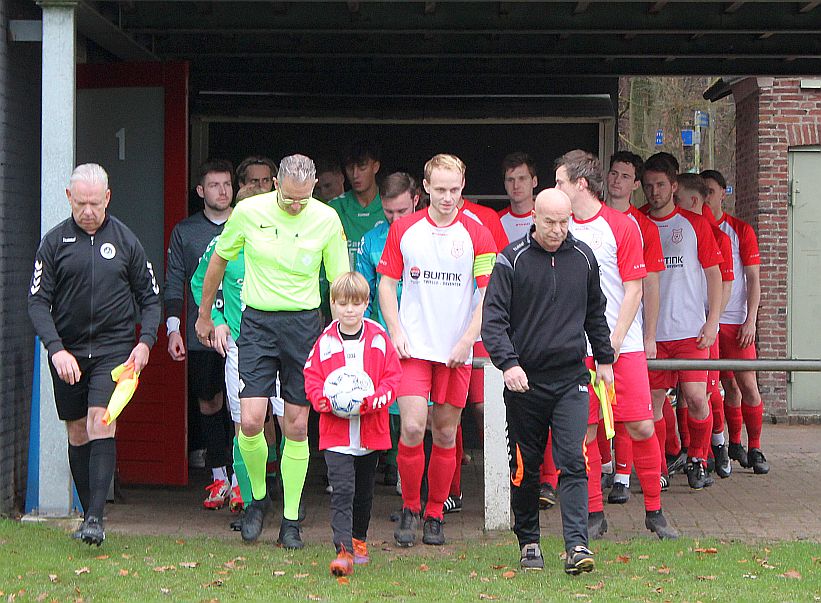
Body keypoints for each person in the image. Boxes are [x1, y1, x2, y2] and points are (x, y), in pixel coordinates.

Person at [195, 154, 349, 549]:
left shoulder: (326, 219)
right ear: (277, 183)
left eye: (303, 198)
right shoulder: (248, 211)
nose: (295, 206)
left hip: (303, 324)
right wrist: (203, 315)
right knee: (250, 421)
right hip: (258, 322)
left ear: (313, 186)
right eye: (288, 198)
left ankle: (292, 520)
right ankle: (257, 501)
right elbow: (218, 261)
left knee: (296, 426)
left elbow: (338, 282)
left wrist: (345, 333)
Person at [482, 188, 614, 574]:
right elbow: (494, 322)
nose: (558, 230)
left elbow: (595, 313)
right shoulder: (512, 260)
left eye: (565, 221)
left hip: (572, 377)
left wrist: (604, 359)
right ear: (534, 219)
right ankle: (529, 544)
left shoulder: (584, 258)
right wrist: (508, 364)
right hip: (525, 383)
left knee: (573, 459)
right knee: (526, 466)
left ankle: (576, 546)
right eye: (550, 222)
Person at [28, 163, 161, 546]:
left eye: (95, 204)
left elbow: (150, 299)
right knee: (76, 431)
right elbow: (37, 303)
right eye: (80, 203)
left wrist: (145, 342)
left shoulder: (126, 241)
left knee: (100, 422)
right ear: (69, 198)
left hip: (114, 350)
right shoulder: (53, 243)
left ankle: (96, 520)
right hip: (67, 351)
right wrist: (55, 350)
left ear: (108, 198)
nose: (88, 211)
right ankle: (89, 516)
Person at [557, 150, 677, 541]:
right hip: (577, 349)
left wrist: (614, 341)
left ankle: (655, 512)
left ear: (580, 184)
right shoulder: (560, 227)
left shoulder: (622, 226)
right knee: (585, 432)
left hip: (620, 347)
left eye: (559, 182)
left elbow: (633, 288)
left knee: (642, 425)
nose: (554, 189)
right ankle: (594, 513)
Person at [378, 153, 496, 547]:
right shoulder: (405, 229)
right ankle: (410, 507)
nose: (448, 197)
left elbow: (487, 295)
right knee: (412, 427)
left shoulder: (477, 233)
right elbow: (385, 284)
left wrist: (466, 340)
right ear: (424, 188)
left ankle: (435, 512)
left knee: (446, 434)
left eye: (455, 190)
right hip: (414, 348)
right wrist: (395, 330)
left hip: (454, 351)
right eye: (440, 190)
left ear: (463, 187)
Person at [190, 185, 284, 519]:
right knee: (244, 423)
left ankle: (287, 496)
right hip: (242, 347)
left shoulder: (284, 239)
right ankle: (248, 499)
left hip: (283, 346)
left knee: (291, 422)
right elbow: (201, 281)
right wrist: (215, 320)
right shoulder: (222, 244)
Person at [304, 272, 402, 576]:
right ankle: (343, 550)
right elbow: (312, 377)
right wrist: (321, 399)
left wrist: (376, 400)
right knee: (343, 490)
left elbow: (392, 378)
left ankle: (359, 540)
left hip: (370, 432)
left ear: (366, 304)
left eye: (356, 303)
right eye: (343, 303)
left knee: (363, 493)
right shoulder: (325, 342)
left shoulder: (378, 338)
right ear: (332, 304)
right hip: (336, 433)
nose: (349, 310)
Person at [641, 153, 722, 491]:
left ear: (673, 186)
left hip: (690, 330)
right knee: (654, 403)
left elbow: (714, 275)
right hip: (653, 333)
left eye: (660, 185)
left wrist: (712, 321)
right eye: (648, 186)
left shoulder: (695, 224)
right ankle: (659, 466)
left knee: (696, 397)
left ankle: (699, 459)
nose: (654, 191)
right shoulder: (638, 223)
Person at [165, 159, 234, 509]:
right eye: (214, 185)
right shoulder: (185, 231)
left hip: (242, 331)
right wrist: (173, 328)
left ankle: (244, 481)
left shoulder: (247, 223)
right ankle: (219, 477)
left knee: (246, 407)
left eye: (227, 184)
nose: (222, 191)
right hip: (202, 333)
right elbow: (174, 280)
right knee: (209, 401)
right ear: (200, 191)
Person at [604, 151, 668, 497]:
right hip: (592, 337)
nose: (617, 181)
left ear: (635, 184)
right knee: (595, 413)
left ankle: (625, 478)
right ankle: (602, 472)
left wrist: (650, 335)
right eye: (613, 174)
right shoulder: (588, 220)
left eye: (625, 176)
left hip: (627, 335)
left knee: (634, 413)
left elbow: (650, 286)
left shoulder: (643, 227)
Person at [356, 172, 422, 488]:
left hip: (427, 337)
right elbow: (364, 295)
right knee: (386, 407)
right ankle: (393, 469)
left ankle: (427, 485)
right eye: (389, 211)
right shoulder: (371, 240)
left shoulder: (432, 235)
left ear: (417, 200)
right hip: (385, 337)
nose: (395, 219)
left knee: (429, 416)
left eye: (402, 211)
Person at [701, 169, 769, 474]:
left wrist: (750, 319)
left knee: (747, 384)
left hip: (736, 321)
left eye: (711, 191)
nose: (706, 197)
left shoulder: (740, 230)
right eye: (701, 191)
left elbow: (753, 280)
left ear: (723, 193)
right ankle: (733, 443)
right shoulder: (696, 227)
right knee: (722, 384)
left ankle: (755, 448)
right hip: (708, 322)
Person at [674, 173, 735, 479]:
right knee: (680, 395)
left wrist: (713, 322)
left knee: (707, 393)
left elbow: (724, 282)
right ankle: (683, 450)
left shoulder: (718, 236)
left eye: (677, 197)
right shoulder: (668, 227)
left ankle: (716, 447)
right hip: (674, 328)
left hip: (704, 328)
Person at [330, 141, 384, 268]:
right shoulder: (334, 208)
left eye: (362, 167)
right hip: (344, 286)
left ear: (375, 167)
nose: (355, 175)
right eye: (350, 168)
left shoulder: (392, 208)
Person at [498, 152, 538, 242]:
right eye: (510, 180)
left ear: (534, 181)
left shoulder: (548, 216)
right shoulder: (496, 221)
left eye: (522, 178)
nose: (516, 185)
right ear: (504, 184)